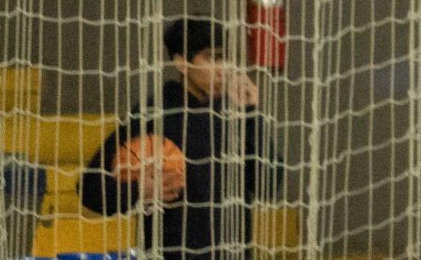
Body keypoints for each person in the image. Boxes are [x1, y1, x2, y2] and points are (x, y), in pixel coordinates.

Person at [79, 18, 285, 260]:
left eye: (228, 59)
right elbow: (89, 188)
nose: (224, 68)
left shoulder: (235, 115)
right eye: (212, 58)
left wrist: (251, 117)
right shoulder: (153, 113)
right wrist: (138, 190)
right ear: (181, 63)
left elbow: (270, 185)